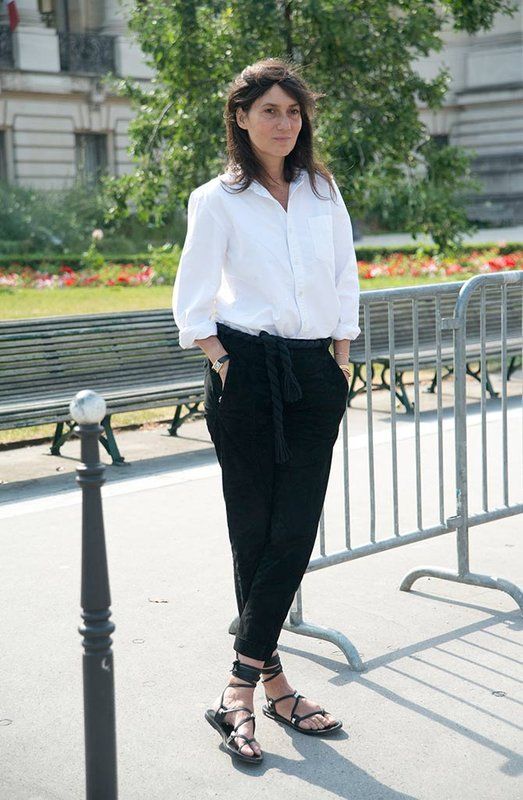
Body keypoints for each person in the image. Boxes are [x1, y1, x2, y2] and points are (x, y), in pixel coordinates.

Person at [172, 57, 361, 765]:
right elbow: (192, 299)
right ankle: (264, 687)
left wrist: (340, 356)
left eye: (293, 111)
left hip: (314, 371)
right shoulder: (216, 200)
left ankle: (241, 688)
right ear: (241, 117)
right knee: (253, 532)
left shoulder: (321, 191)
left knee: (294, 529)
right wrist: (224, 362)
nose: (285, 123)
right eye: (270, 111)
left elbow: (344, 274)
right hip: (246, 369)